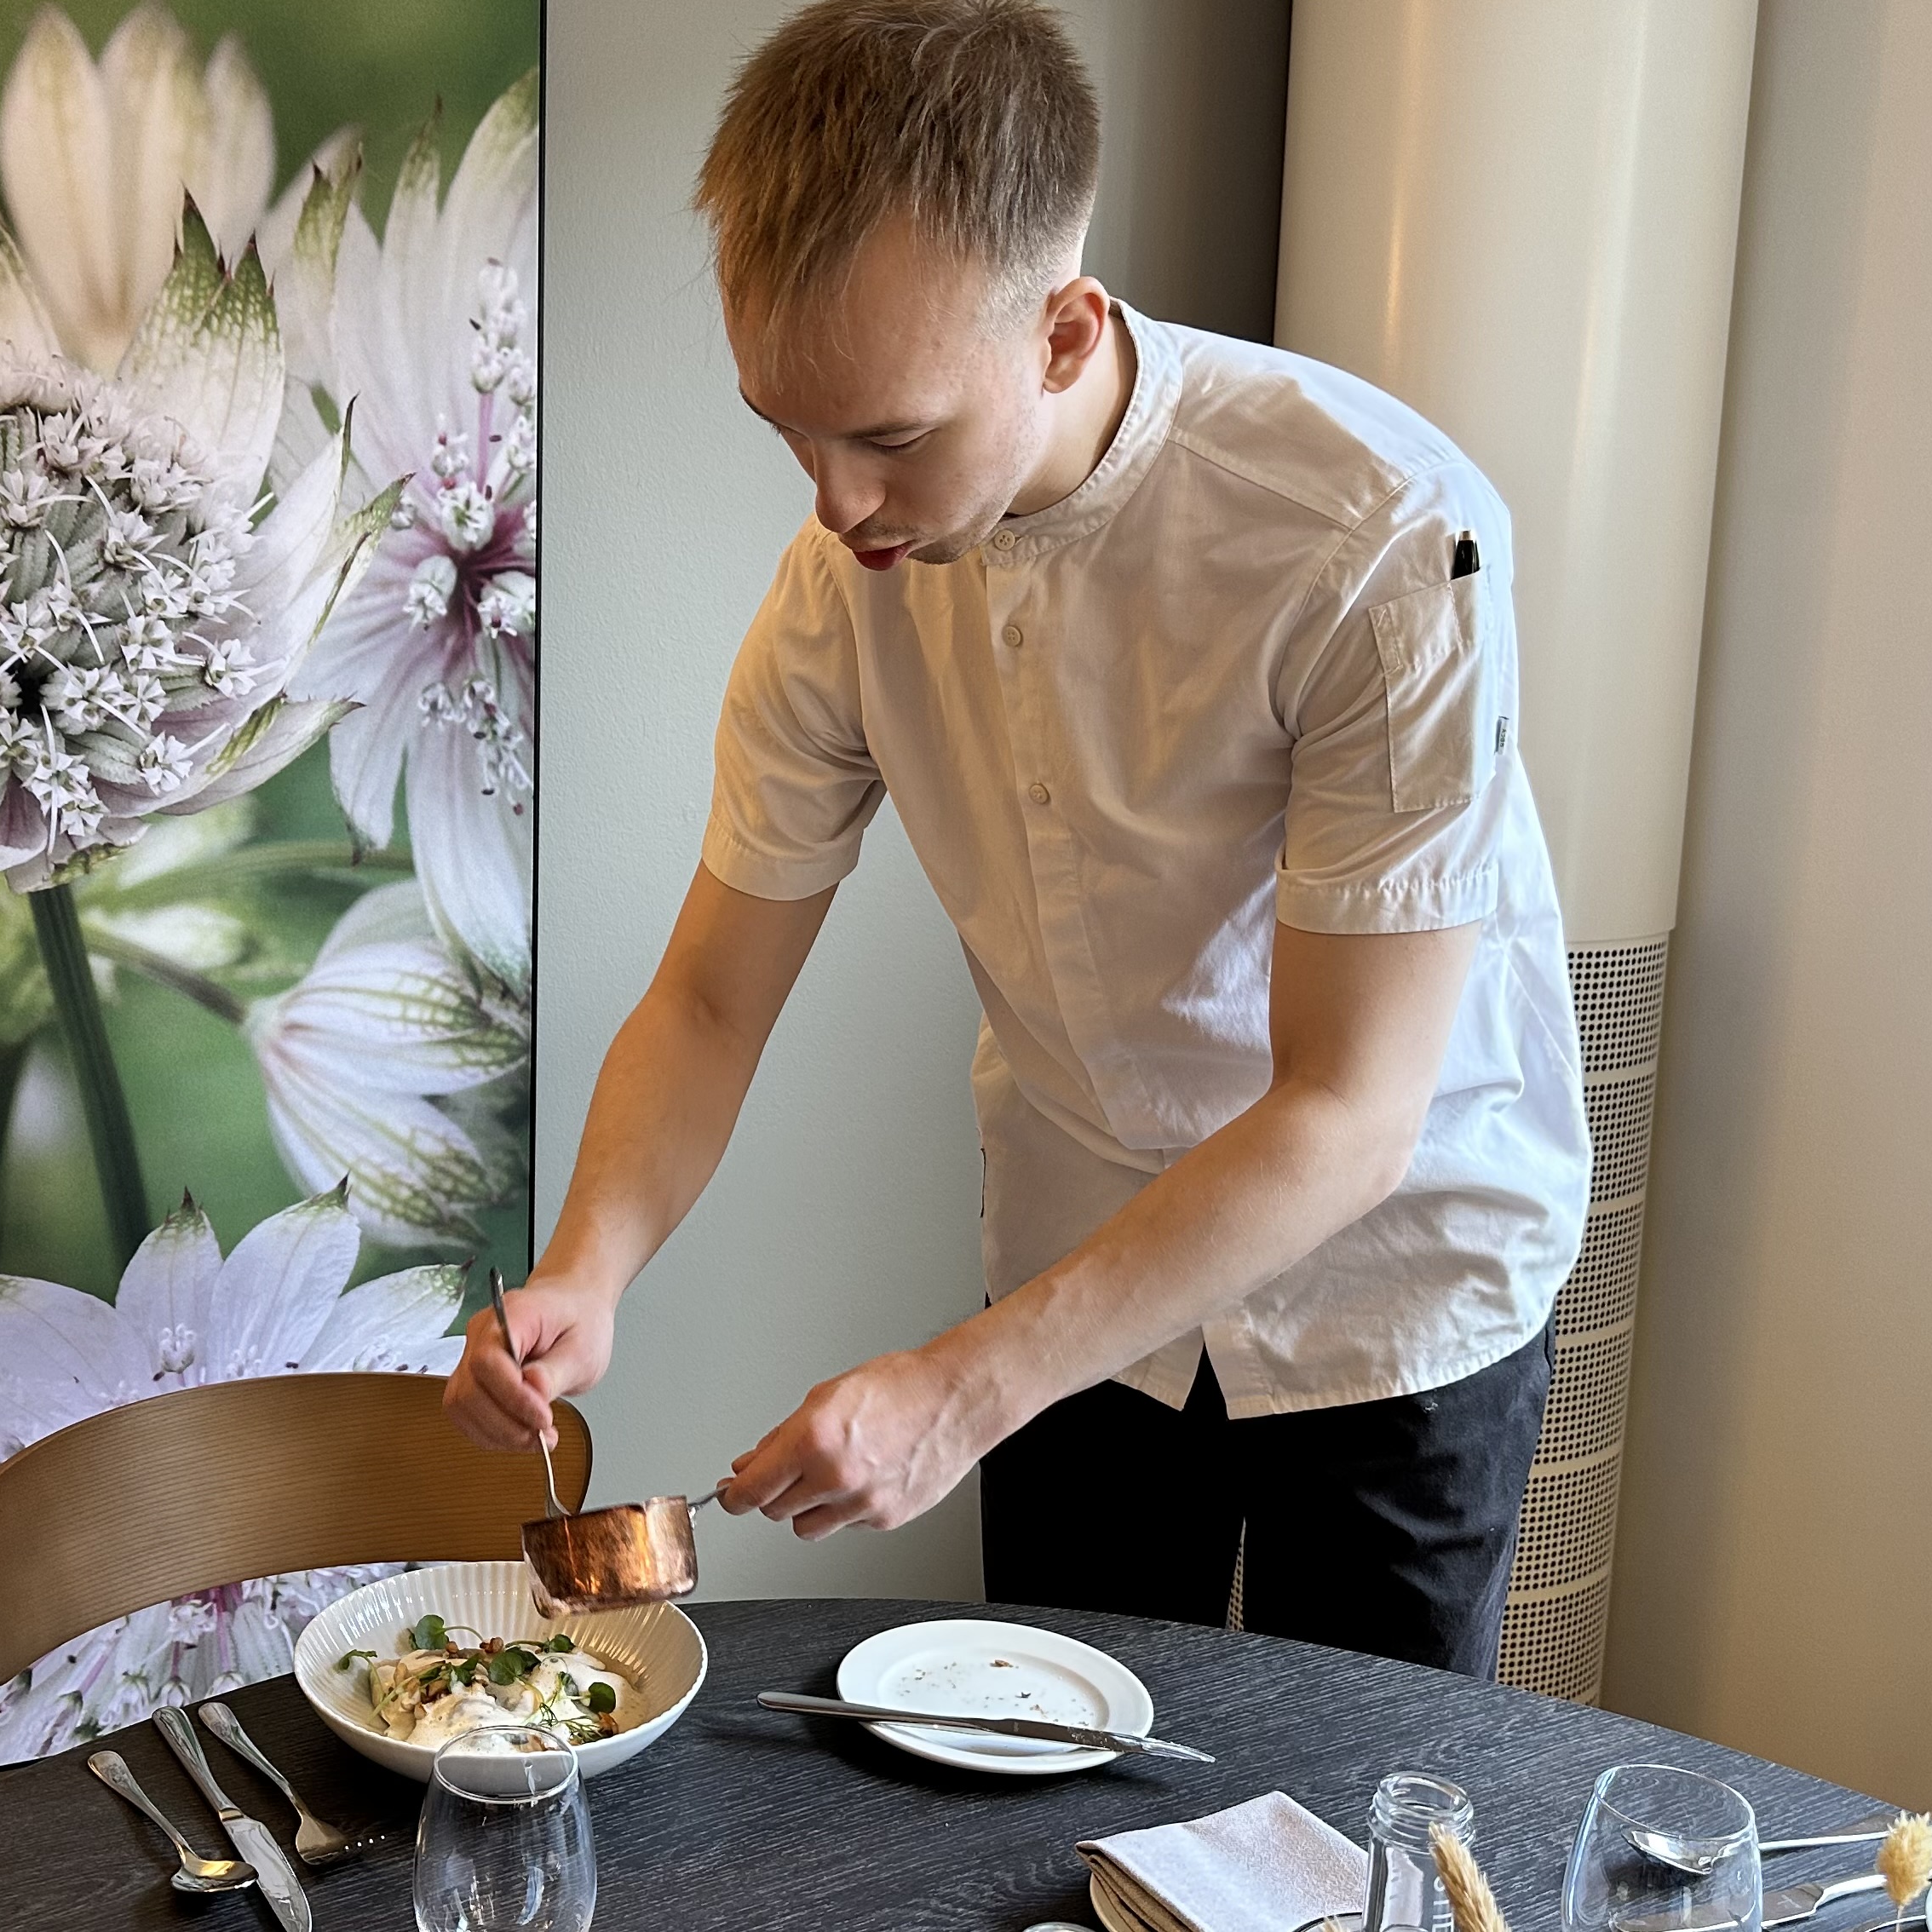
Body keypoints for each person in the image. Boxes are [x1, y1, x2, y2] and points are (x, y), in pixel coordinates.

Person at [441, 0, 1589, 1676]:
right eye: (789, 429)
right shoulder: (842, 588)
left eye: (890, 437)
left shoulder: (1386, 543)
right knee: (1049, 1781)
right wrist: (588, 1271)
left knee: (1358, 1829)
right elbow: (706, 1001)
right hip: (1076, 1270)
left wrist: (959, 1389)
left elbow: (1347, 1111)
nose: (835, 503)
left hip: (1389, 1286)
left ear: (1063, 329)